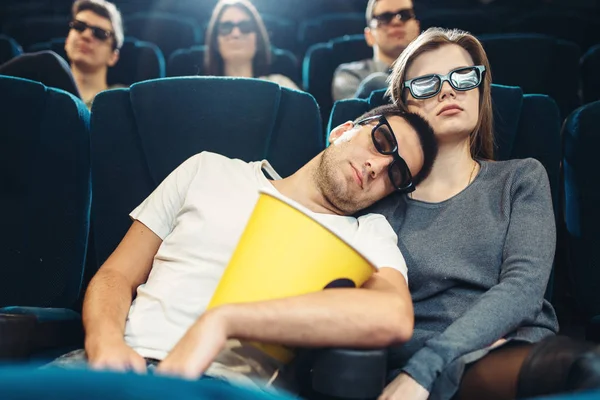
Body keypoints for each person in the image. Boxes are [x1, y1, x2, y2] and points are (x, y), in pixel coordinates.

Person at [51, 104, 438, 391]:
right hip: (113, 364)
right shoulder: (208, 169)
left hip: (227, 386)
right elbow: (116, 274)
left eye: (397, 174)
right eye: (382, 142)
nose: (378, 167)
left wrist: (223, 321)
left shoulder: (368, 233)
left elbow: (393, 315)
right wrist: (104, 342)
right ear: (343, 130)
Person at [372, 27, 599, 400]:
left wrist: (428, 364)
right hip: (425, 375)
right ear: (405, 106)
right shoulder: (383, 207)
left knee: (584, 370)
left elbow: (524, 288)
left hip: (516, 350)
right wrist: (426, 368)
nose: (448, 90)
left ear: (480, 91)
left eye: (462, 77)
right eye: (427, 83)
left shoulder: (521, 177)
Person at [0, 0, 124, 110]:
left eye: (100, 33)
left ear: (113, 56)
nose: (86, 36)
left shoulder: (124, 98)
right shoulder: (38, 91)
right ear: (67, 41)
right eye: (79, 26)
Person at [331, 0, 420, 102]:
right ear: (369, 36)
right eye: (385, 17)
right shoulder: (350, 74)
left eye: (404, 15)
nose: (396, 21)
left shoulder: (434, 69)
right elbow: (352, 115)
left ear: (417, 27)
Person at [204, 0, 299, 90]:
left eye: (245, 26)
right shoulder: (203, 90)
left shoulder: (280, 86)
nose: (236, 33)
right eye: (226, 27)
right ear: (215, 40)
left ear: (257, 38)